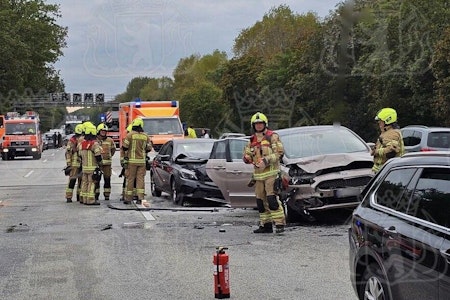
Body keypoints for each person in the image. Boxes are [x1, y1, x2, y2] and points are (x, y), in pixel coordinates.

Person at [243, 112, 286, 234]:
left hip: (271, 174)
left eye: (260, 123)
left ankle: (279, 223)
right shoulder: (251, 140)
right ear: (253, 125)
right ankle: (266, 225)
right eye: (256, 124)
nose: (258, 126)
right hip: (258, 176)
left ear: (265, 124)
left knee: (272, 199)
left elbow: (279, 153)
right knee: (260, 201)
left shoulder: (272, 136)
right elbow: (247, 154)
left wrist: (266, 160)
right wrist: (247, 158)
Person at [122, 118, 152, 205]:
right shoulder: (145, 136)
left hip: (132, 161)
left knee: (130, 179)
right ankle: (140, 198)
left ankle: (128, 198)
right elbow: (149, 148)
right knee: (140, 179)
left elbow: (124, 147)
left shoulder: (130, 135)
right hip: (142, 162)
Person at [371, 108, 405, 173]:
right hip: (383, 169)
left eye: (380, 121)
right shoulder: (386, 132)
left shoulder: (392, 134)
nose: (379, 123)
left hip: (386, 170)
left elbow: (391, 152)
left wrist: (377, 151)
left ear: (387, 120)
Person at [78, 122, 103, 205]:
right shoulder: (94, 144)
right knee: (92, 183)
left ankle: (83, 199)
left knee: (84, 183)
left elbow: (79, 155)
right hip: (92, 168)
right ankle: (91, 200)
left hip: (84, 168)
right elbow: (98, 155)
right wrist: (100, 164)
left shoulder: (82, 144)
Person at [94, 123, 116, 201]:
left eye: (105, 131)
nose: (103, 133)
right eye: (102, 131)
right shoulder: (95, 140)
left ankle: (107, 195)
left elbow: (113, 150)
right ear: (98, 131)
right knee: (96, 180)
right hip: (97, 164)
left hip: (107, 164)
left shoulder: (110, 140)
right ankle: (96, 195)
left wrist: (109, 156)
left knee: (107, 179)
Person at [65, 123, 84, 203]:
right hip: (74, 164)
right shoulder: (72, 141)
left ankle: (79, 196)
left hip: (82, 164)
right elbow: (68, 153)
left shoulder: (83, 140)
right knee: (72, 180)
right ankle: (69, 196)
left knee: (81, 181)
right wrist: (69, 164)